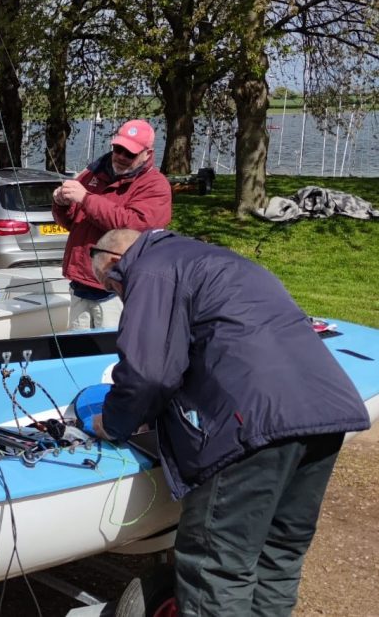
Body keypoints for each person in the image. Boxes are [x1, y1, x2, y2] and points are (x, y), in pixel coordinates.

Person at [87, 228, 371, 616]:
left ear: (116, 261)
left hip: (252, 424)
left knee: (217, 564)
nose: (119, 295)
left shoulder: (150, 269)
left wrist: (116, 423)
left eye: (112, 286)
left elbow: (148, 373)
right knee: (278, 553)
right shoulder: (218, 259)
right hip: (324, 411)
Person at [51, 119, 171, 329]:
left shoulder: (155, 185)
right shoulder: (92, 173)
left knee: (114, 353)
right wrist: (61, 204)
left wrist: (87, 199)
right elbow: (73, 223)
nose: (121, 157)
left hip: (117, 290)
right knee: (78, 353)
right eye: (118, 149)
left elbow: (135, 229)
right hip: (82, 282)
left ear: (147, 154)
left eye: (130, 153)